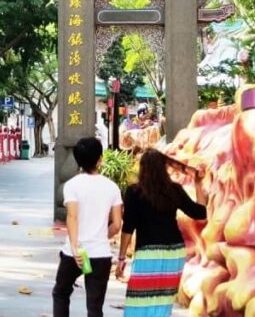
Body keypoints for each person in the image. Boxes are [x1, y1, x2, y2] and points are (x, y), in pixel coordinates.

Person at [115, 149, 207, 316]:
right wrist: (198, 184)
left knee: (138, 302)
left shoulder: (134, 192)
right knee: (163, 302)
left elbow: (128, 228)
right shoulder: (174, 190)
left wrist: (121, 258)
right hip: (174, 253)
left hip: (148, 253)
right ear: (163, 168)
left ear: (143, 168)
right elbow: (200, 213)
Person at [52, 136, 122, 317]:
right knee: (94, 306)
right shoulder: (112, 187)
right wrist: (101, 236)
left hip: (74, 252)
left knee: (61, 293)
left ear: (77, 160)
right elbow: (117, 224)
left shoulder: (72, 185)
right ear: (100, 159)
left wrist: (75, 248)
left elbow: (72, 217)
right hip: (100, 254)